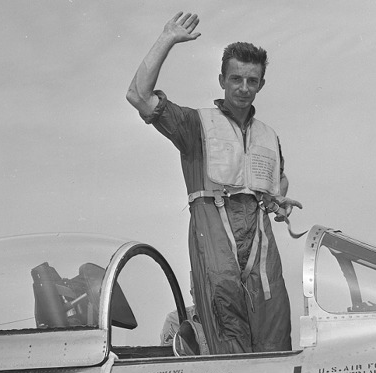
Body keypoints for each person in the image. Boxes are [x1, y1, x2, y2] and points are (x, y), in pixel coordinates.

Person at [126, 12, 301, 354]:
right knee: (227, 336)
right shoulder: (194, 125)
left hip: (261, 244)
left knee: (275, 338)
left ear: (261, 84)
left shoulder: (269, 135)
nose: (244, 88)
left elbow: (277, 180)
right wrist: (167, 38)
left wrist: (278, 200)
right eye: (236, 79)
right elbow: (139, 96)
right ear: (222, 79)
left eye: (252, 80)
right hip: (214, 236)